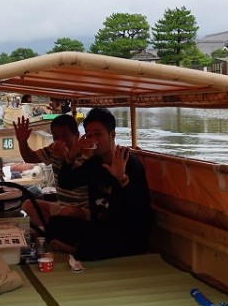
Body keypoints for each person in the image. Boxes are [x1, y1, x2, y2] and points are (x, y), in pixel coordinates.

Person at [44, 107, 152, 261]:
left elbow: (139, 208)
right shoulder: (95, 163)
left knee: (98, 243)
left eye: (98, 134)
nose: (93, 140)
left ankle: (77, 250)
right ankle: (82, 248)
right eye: (89, 135)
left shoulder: (130, 163)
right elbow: (67, 182)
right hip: (101, 227)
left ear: (112, 134)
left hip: (127, 232)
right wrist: (72, 153)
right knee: (55, 225)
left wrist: (121, 178)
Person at [13, 113, 89, 224]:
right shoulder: (52, 150)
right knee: (27, 205)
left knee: (66, 213)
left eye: (65, 136)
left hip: (84, 210)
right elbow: (29, 157)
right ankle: (56, 228)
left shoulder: (86, 154)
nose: (60, 141)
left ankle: (56, 229)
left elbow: (80, 175)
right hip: (62, 206)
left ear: (76, 135)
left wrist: (67, 158)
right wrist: (22, 141)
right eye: (56, 137)